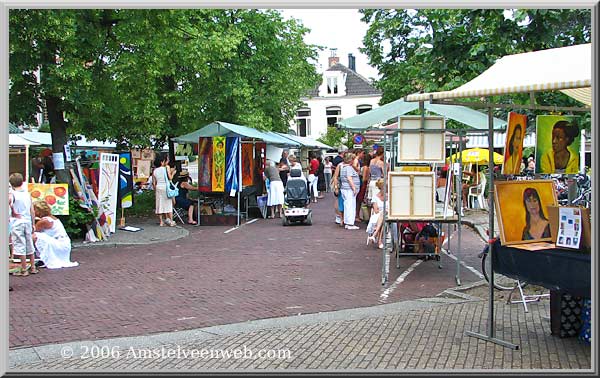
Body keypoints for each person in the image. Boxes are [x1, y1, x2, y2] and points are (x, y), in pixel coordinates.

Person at [32, 201, 78, 269]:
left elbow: (32, 230)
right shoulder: (53, 218)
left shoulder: (43, 221)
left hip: (59, 244)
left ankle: (34, 256)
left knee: (34, 236)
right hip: (64, 244)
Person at [9, 173, 36, 276]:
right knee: (29, 243)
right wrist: (33, 223)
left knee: (20, 244)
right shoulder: (27, 194)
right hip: (27, 221)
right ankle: (33, 267)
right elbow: (32, 210)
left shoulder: (12, 195)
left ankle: (24, 268)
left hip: (17, 222)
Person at [152, 152, 176, 227]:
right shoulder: (166, 168)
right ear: (162, 161)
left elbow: (153, 183)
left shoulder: (155, 171)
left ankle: (161, 222)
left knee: (159, 204)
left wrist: (155, 190)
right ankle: (171, 221)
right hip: (165, 187)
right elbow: (170, 178)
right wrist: (173, 173)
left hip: (158, 187)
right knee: (168, 204)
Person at [341, 153, 360, 230]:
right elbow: (349, 178)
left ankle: (347, 222)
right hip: (349, 189)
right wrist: (354, 188)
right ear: (351, 160)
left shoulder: (344, 167)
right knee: (350, 206)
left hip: (345, 189)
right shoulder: (348, 168)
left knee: (347, 205)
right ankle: (350, 223)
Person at [366, 178, 385, 247]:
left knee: (383, 216)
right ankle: (379, 241)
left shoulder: (389, 196)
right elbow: (376, 210)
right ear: (381, 188)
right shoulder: (375, 197)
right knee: (383, 216)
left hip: (386, 215)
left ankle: (374, 235)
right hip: (378, 215)